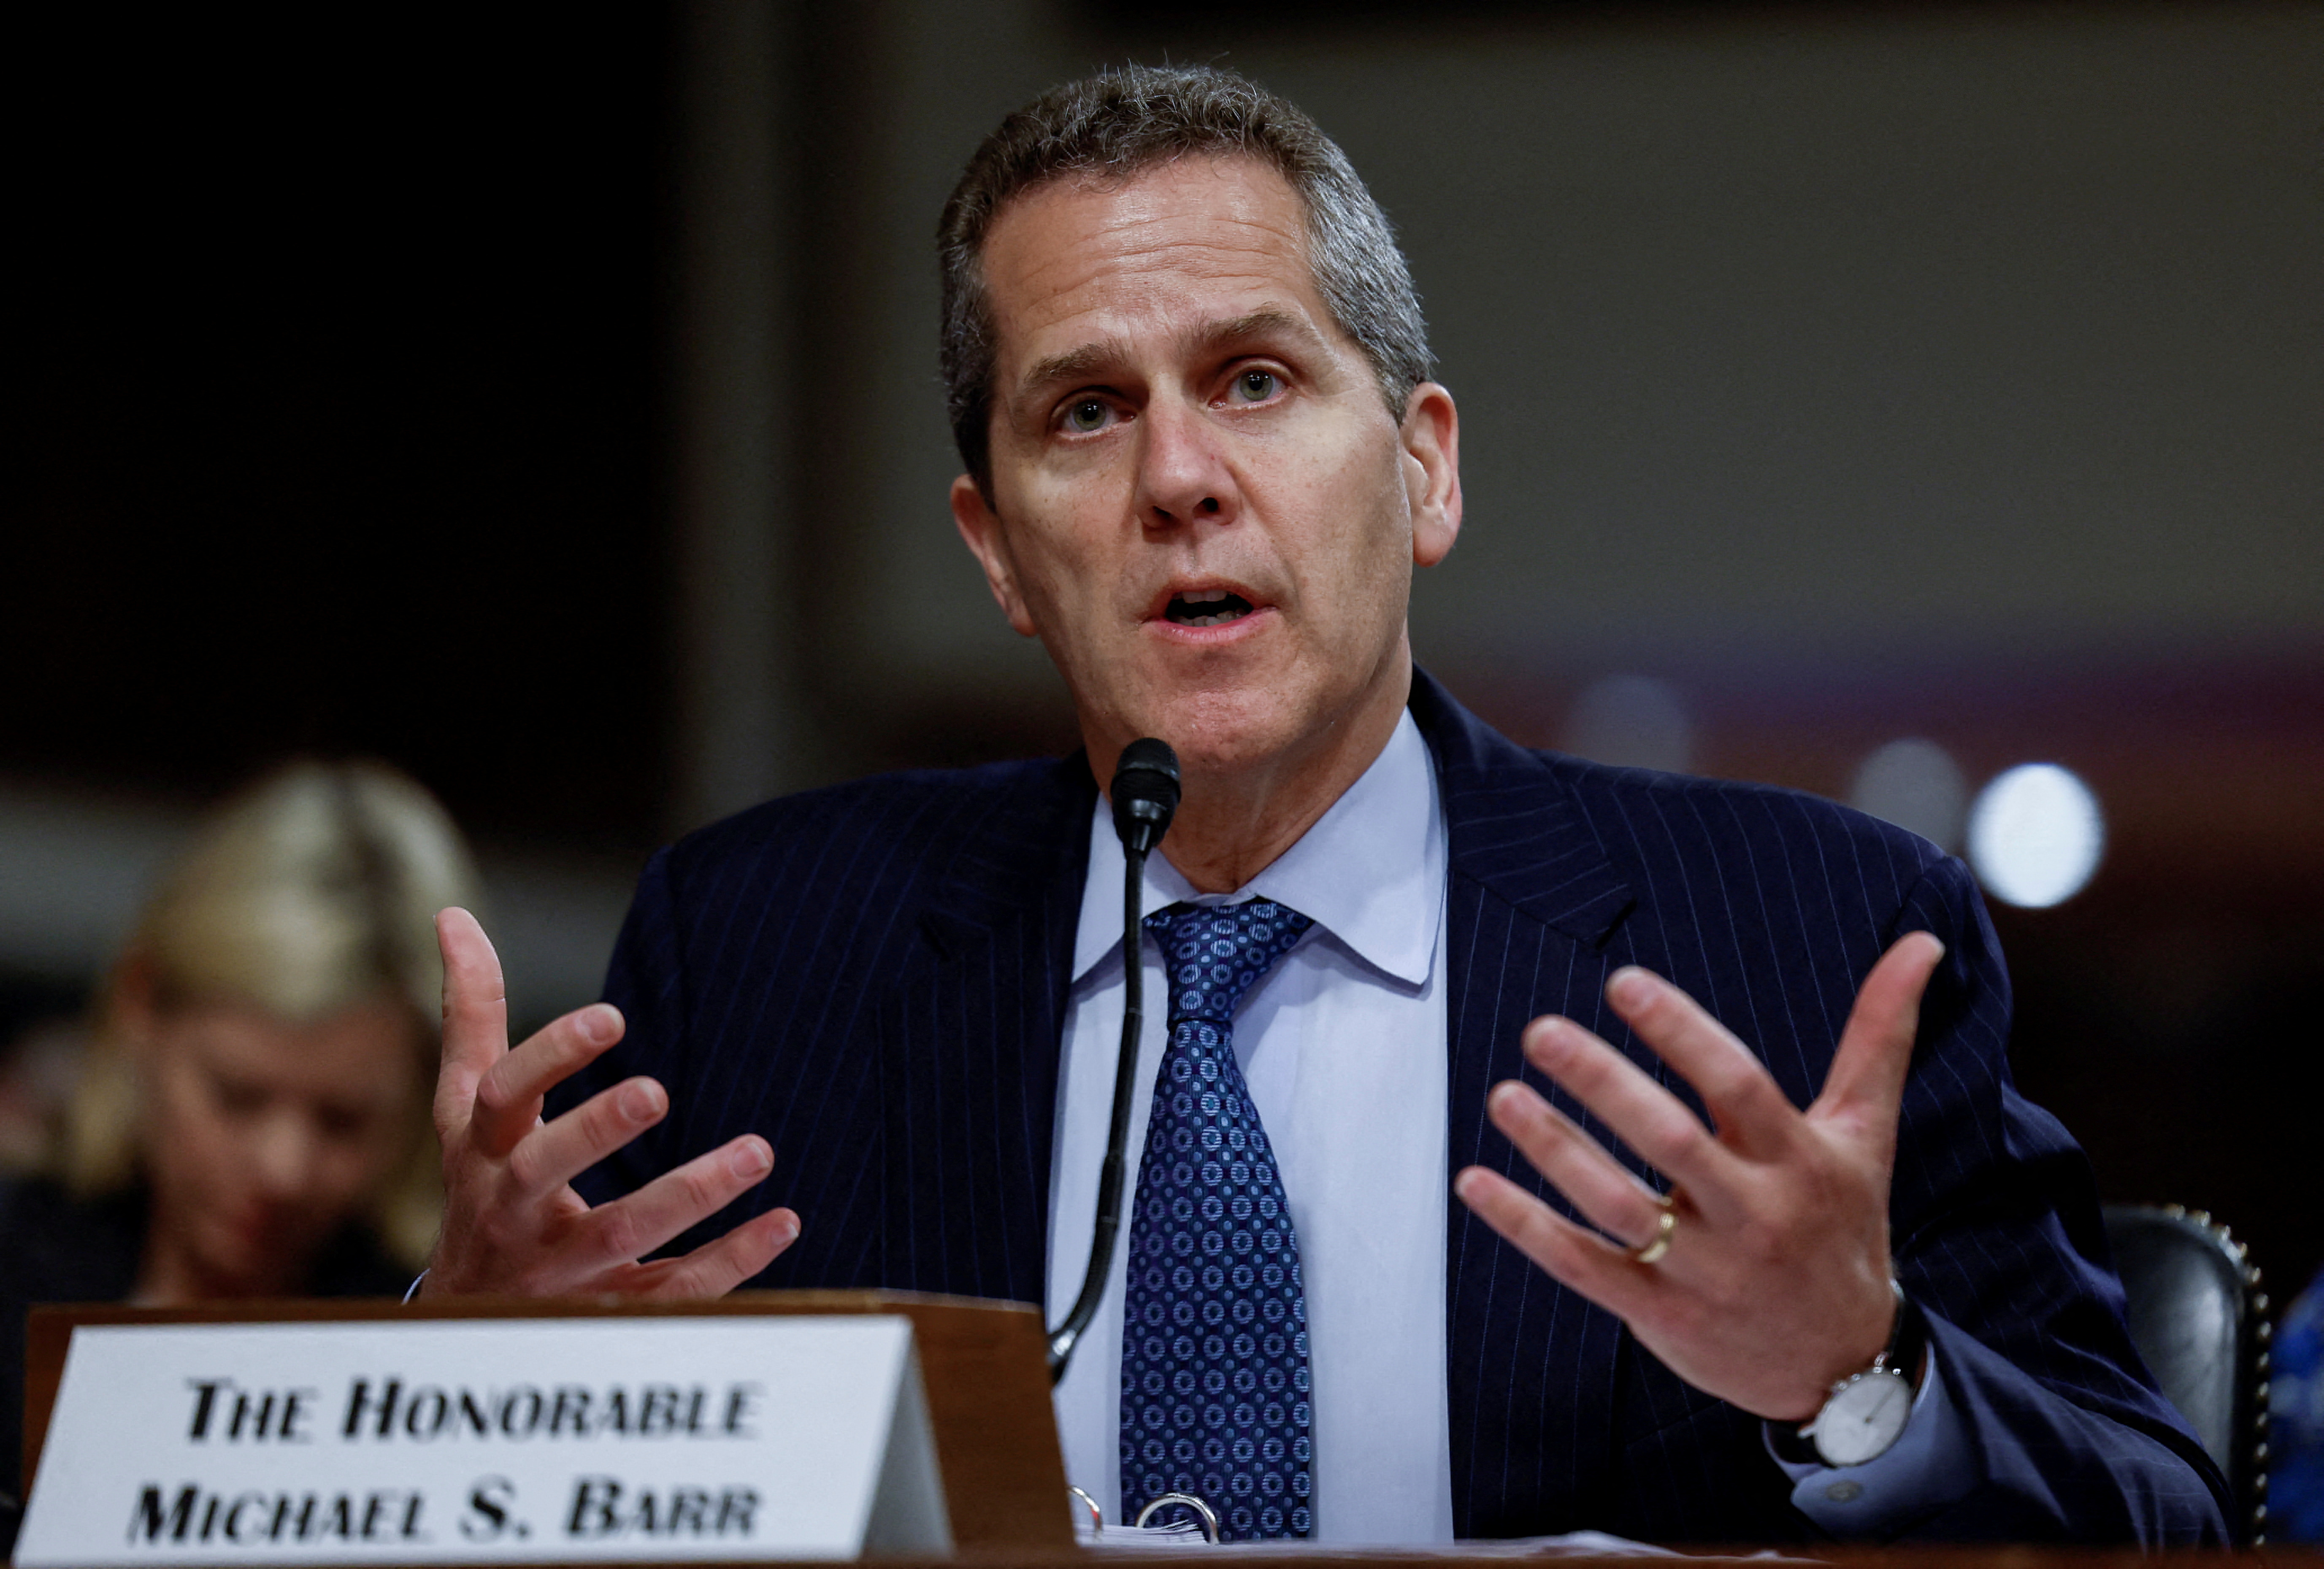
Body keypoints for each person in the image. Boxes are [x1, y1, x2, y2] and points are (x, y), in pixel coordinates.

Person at [418, 66, 2229, 1545]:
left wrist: (1853, 1375)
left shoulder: (1806, 944)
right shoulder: (761, 951)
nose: (1180, 479)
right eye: (1084, 415)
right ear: (996, 555)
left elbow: (2159, 1520)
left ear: (1424, 468)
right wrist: (463, 1378)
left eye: (1256, 382)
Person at [0, 760, 481, 1519]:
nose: (282, 1169)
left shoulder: (425, 1335)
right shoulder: (16, 1262)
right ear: (140, 1011)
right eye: (237, 1096)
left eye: (343, 1119)